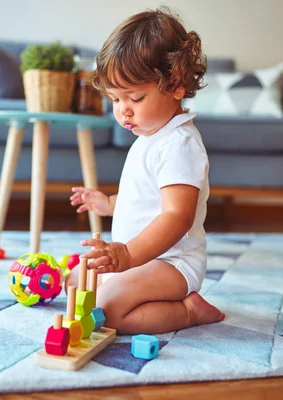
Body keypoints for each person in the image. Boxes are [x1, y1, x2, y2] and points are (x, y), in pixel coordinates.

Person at [67, 7, 225, 335]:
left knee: (105, 311)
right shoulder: (151, 134)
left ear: (176, 86)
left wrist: (126, 253)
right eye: (115, 99)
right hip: (141, 260)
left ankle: (188, 311)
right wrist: (108, 204)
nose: (123, 110)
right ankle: (129, 287)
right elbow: (144, 199)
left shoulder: (179, 144)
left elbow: (176, 216)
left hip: (172, 263)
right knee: (76, 282)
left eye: (135, 98)